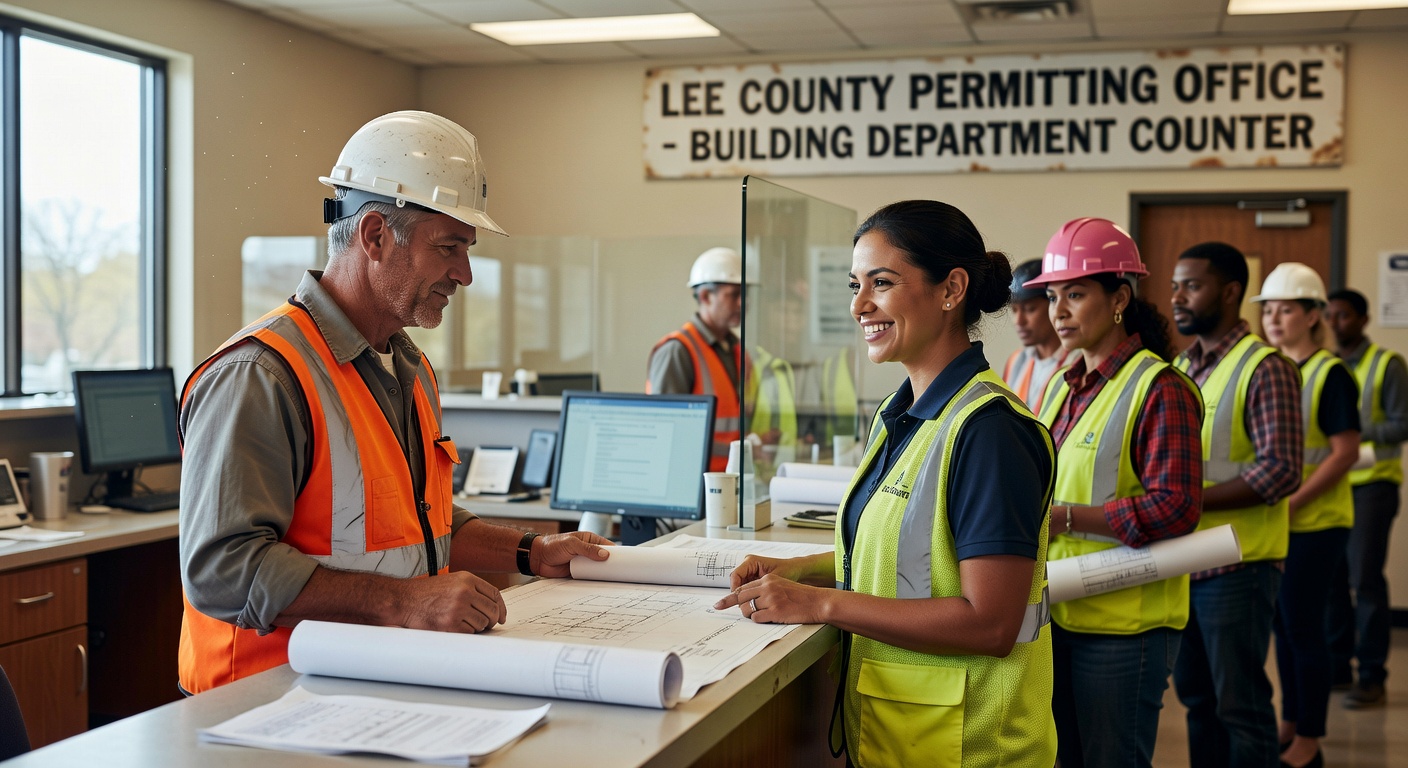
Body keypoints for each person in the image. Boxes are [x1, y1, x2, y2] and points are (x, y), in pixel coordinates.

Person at [177, 111, 611, 695]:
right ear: (375, 235)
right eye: (448, 247)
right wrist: (404, 603)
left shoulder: (407, 366)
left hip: (369, 684)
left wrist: (532, 551)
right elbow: (222, 572)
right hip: (262, 702)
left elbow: (417, 526)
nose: (465, 273)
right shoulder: (261, 375)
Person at [714, 200, 1058, 767]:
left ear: (951, 289)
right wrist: (797, 571)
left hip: (973, 748)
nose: (859, 305)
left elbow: (991, 622)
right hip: (904, 737)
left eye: (882, 282)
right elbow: (902, 561)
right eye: (855, 284)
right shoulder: (903, 415)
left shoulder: (989, 432)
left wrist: (820, 602)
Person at [1023, 218, 1204, 768]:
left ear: (1120, 297)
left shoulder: (1160, 387)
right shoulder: (1061, 384)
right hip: (1057, 614)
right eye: (1054, 296)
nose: (1058, 311)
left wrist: (1068, 518)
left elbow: (1176, 507)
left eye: (1075, 294)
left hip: (1126, 629)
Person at [1169, 242, 1303, 768]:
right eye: (1176, 284)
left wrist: (1183, 502)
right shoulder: (1179, 366)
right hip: (1184, 562)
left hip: (1239, 565)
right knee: (1197, 702)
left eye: (1192, 285)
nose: (1178, 296)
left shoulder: (1265, 367)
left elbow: (1281, 469)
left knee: (1239, 706)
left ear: (1229, 292)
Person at [1252, 263, 1360, 768]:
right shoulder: (1274, 368)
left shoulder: (1329, 373)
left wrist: (1291, 502)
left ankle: (1309, 739)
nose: (1275, 318)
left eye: (1287, 309)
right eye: (1268, 309)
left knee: (1303, 630)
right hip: (1282, 525)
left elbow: (1343, 453)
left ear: (1314, 316)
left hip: (1317, 524)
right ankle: (1291, 723)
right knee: (1283, 629)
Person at [1324, 288, 1408, 709]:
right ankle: (1339, 667)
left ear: (1362, 319)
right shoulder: (1326, 366)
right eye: (1330, 315)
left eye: (1343, 316)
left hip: (1374, 485)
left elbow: (1401, 425)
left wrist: (1350, 436)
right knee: (1334, 580)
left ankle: (1372, 676)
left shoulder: (1387, 365)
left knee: (1365, 580)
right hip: (1333, 483)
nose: (1335, 323)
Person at [647, 247, 746, 471]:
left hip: (728, 482)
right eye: (733, 295)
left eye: (745, 294)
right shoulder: (677, 351)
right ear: (704, 296)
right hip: (691, 483)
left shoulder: (736, 350)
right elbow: (665, 431)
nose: (742, 303)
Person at [1003, 258, 1074, 412]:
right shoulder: (1016, 362)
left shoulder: (1078, 362)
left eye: (1030, 309)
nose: (1019, 321)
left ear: (1053, 305)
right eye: (1014, 310)